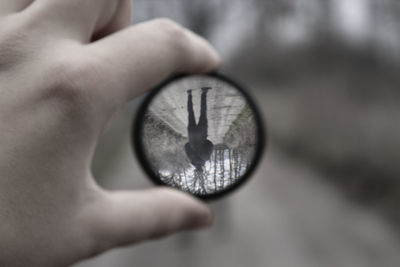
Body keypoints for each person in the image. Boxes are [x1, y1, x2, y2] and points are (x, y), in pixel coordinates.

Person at [0, 1, 220, 266]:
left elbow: (194, 145)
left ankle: (197, 96)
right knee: (198, 116)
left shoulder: (197, 156)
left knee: (196, 115)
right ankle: (198, 96)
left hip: (195, 134)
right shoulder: (202, 156)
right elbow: (203, 143)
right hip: (198, 134)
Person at [184, 87, 214, 171]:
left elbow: (210, 144)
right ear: (195, 168)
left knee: (203, 111)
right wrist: (192, 142)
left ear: (202, 168)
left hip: (202, 132)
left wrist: (204, 140)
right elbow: (186, 146)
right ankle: (189, 94)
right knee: (190, 113)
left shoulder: (206, 158)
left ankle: (204, 92)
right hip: (191, 133)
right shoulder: (191, 159)